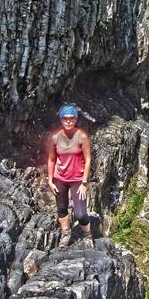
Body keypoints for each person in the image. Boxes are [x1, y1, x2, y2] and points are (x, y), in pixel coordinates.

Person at [47, 105, 94, 248]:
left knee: (80, 213)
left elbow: (88, 160)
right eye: (65, 118)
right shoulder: (55, 138)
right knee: (61, 209)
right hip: (60, 178)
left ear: (75, 119)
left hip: (77, 180)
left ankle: (87, 235)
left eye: (71, 118)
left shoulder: (82, 136)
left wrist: (84, 183)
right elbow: (51, 160)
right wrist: (50, 180)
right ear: (61, 119)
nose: (68, 121)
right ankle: (66, 234)